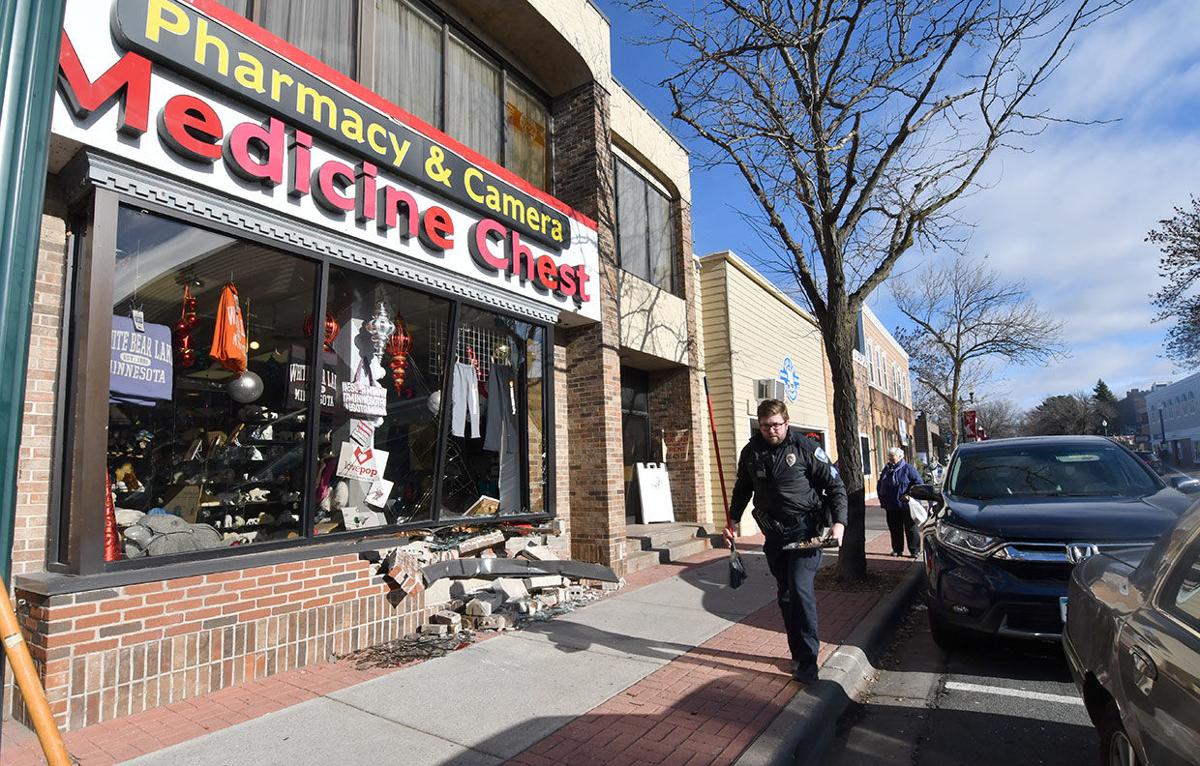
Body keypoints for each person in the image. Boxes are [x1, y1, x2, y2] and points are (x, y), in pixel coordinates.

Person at [724, 400, 847, 684]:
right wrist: (732, 519)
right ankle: (797, 652)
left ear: (787, 423)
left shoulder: (805, 448)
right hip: (775, 535)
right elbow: (743, 487)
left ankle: (807, 660)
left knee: (800, 590)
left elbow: (835, 486)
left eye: (776, 425)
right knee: (786, 595)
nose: (771, 430)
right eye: (765, 425)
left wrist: (839, 523)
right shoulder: (751, 451)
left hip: (806, 533)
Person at [878, 446, 922, 557]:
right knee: (895, 529)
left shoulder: (908, 469)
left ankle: (914, 550)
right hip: (891, 505)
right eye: (889, 456)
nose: (890, 458)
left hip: (906, 505)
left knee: (911, 529)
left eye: (892, 456)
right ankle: (897, 549)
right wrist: (882, 497)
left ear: (900, 456)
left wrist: (910, 495)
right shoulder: (887, 470)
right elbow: (880, 484)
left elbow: (919, 483)